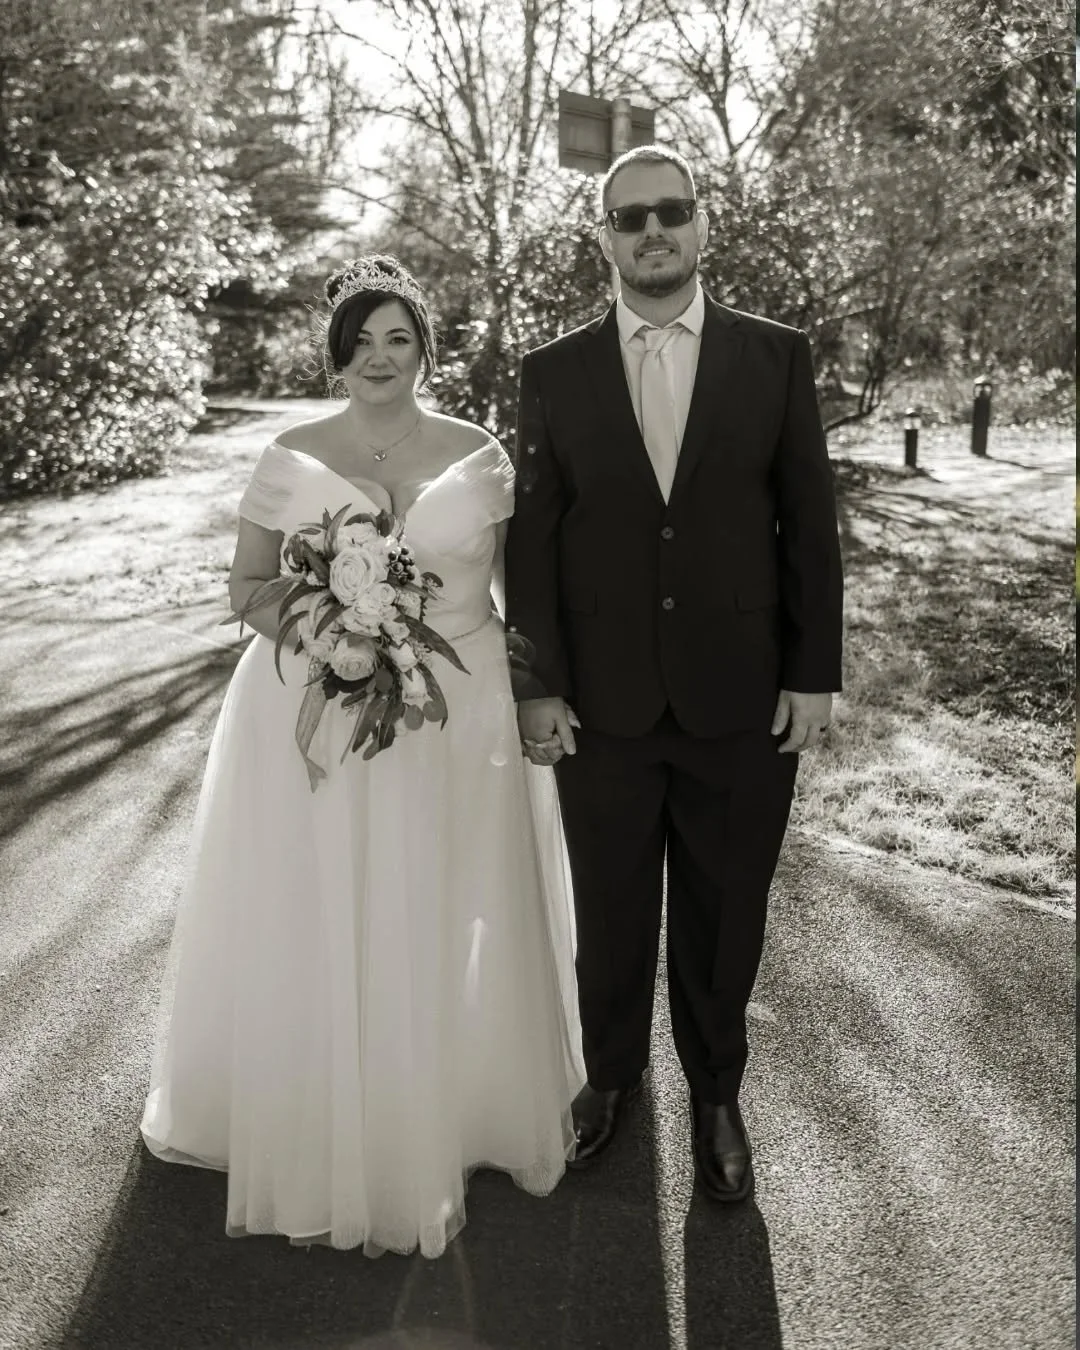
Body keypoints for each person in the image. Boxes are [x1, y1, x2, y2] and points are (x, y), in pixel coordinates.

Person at [141, 255, 584, 1257]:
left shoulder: (479, 455)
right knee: (321, 898)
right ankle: (324, 1105)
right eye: (362, 343)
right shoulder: (292, 455)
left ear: (426, 350)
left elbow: (522, 602)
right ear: (337, 358)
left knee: (443, 896)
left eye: (400, 339)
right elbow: (248, 588)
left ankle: (449, 1101)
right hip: (315, 710)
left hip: (455, 714)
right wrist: (334, 627)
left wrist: (531, 694)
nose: (381, 359)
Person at [504, 146, 843, 1204]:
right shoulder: (552, 372)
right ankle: (610, 1081)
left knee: (723, 909)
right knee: (609, 911)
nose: (652, 232)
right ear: (604, 237)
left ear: (702, 227)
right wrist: (536, 683)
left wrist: (814, 672)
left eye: (671, 213)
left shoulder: (775, 358)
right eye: (629, 218)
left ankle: (716, 1095)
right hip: (599, 702)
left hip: (741, 696)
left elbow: (809, 525)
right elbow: (537, 543)